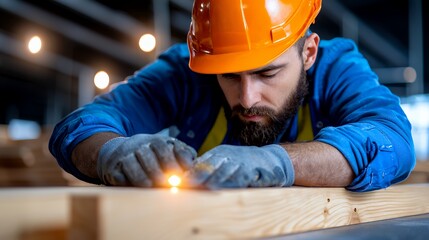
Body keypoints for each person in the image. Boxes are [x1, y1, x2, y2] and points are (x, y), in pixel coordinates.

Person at [49, 0, 415, 192]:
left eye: (267, 72)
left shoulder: (338, 69)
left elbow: (392, 140)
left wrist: (280, 163)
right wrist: (110, 152)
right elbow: (81, 127)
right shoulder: (187, 70)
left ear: (308, 53)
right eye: (228, 75)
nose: (247, 97)